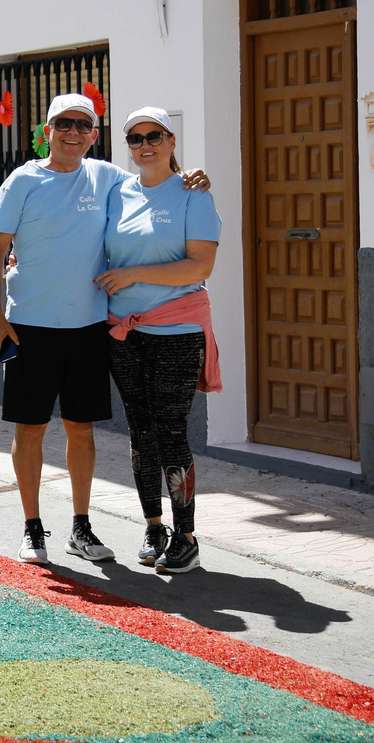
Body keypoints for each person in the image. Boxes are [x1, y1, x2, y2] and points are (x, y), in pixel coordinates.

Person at [0, 93, 208, 564]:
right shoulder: (22, 181)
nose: (74, 132)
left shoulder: (107, 177)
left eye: (83, 125)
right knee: (30, 430)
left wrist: (191, 176)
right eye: (64, 124)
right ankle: (32, 528)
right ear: (47, 130)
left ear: (94, 135)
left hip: (88, 327)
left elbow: (154, 181)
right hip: (29, 327)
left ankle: (81, 528)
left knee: (81, 430)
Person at [95, 107, 221, 575]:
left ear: (171, 140)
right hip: (123, 332)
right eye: (135, 138)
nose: (144, 145)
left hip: (177, 330)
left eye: (154, 136)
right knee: (140, 431)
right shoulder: (117, 191)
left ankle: (186, 536)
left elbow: (200, 266)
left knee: (170, 431)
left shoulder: (193, 193)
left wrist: (134, 274)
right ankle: (154, 527)